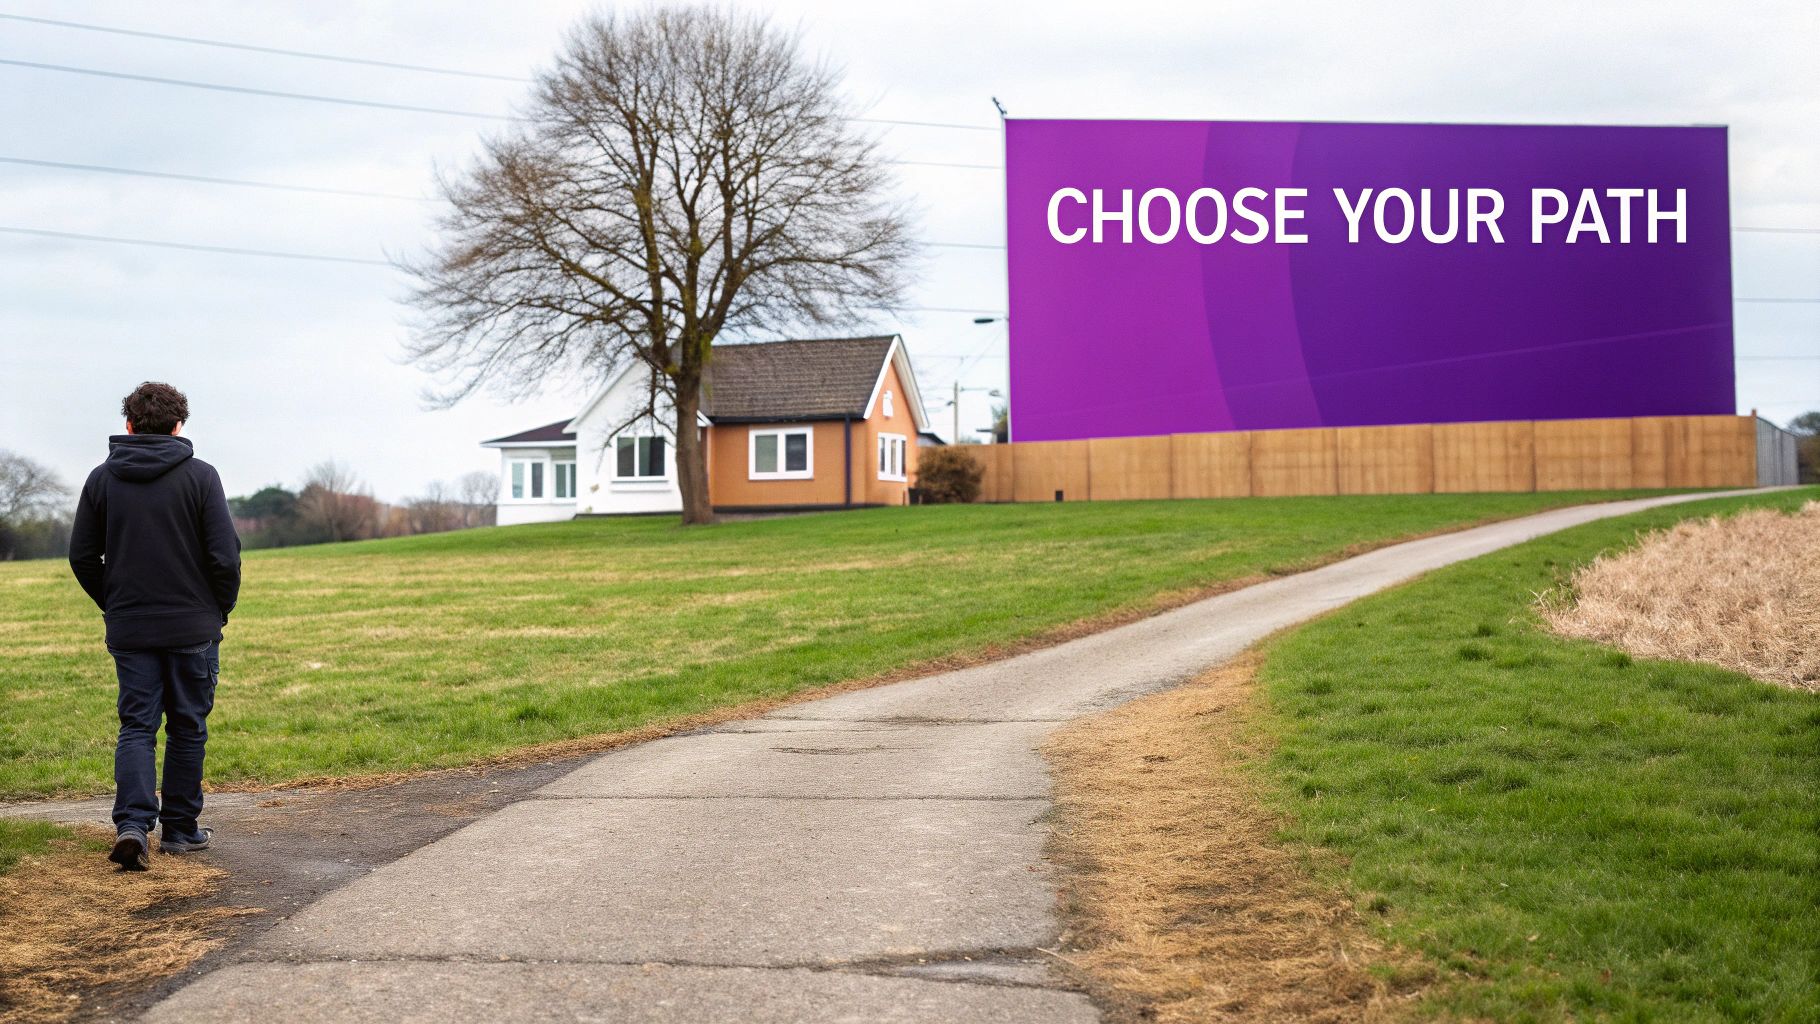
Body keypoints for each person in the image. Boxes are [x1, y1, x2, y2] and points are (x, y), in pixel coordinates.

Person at [69, 382, 240, 871]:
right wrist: (218, 610)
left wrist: (115, 603)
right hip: (193, 628)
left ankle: (132, 827)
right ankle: (182, 831)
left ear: (129, 425)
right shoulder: (202, 477)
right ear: (178, 426)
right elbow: (225, 557)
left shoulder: (102, 480)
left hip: (132, 628)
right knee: (188, 726)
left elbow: (82, 556)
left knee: (137, 726)